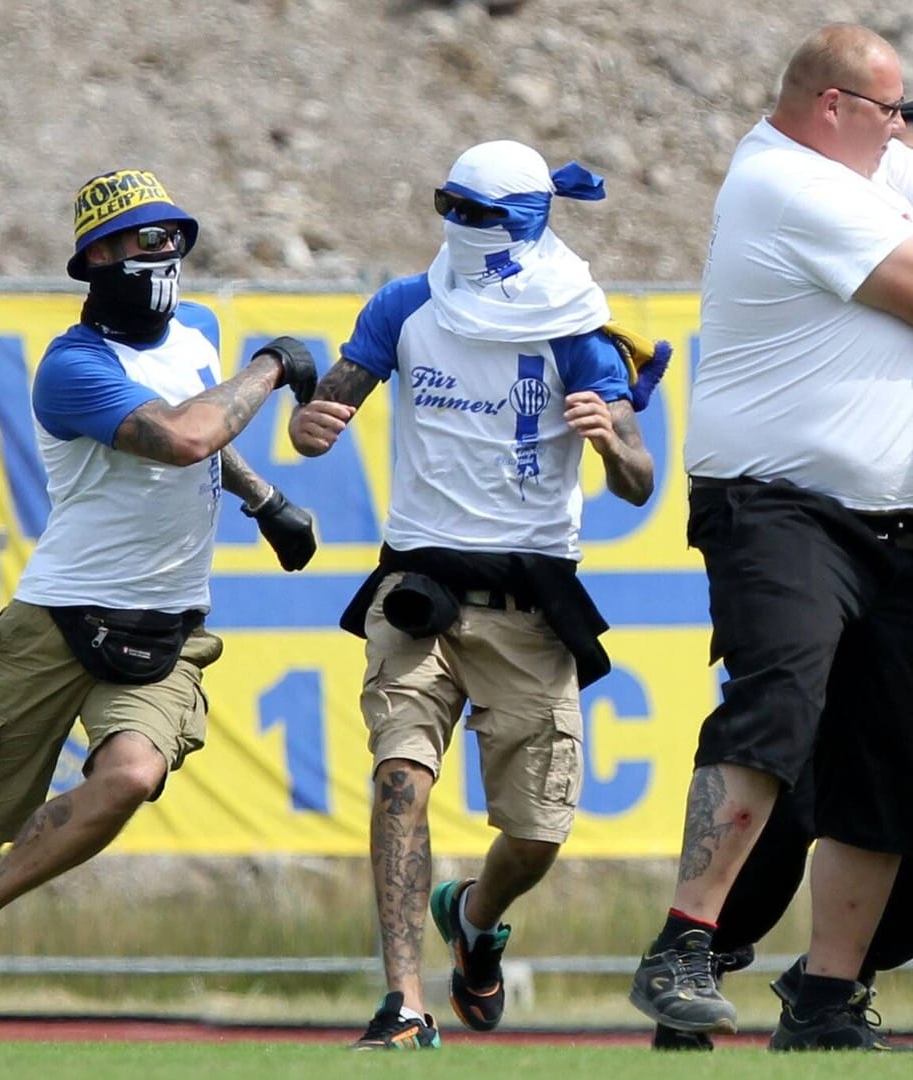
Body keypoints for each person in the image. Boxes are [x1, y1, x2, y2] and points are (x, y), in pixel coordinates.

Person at [626, 23, 913, 1053]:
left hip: (901, 530)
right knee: (780, 694)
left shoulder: (868, 174)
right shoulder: (794, 182)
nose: (899, 136)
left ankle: (830, 995)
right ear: (834, 107)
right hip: (781, 504)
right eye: (886, 113)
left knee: (892, 754)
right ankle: (686, 941)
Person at [0, 169, 318, 1048]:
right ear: (96, 256)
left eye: (174, 234)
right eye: (143, 238)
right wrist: (274, 365)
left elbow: (204, 424)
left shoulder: (199, 330)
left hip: (169, 626)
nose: (164, 251)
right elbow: (183, 437)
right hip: (56, 621)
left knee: (131, 775)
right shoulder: (72, 367)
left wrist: (262, 497)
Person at [288, 141, 658, 1050]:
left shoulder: (578, 326)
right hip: (418, 593)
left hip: (531, 604)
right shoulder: (404, 304)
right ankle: (404, 1004)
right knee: (399, 780)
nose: (462, 227)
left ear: (530, 219)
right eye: (450, 205)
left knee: (536, 836)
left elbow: (641, 480)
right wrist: (309, 424)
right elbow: (324, 416)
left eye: (482, 213)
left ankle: (476, 915)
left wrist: (611, 440)